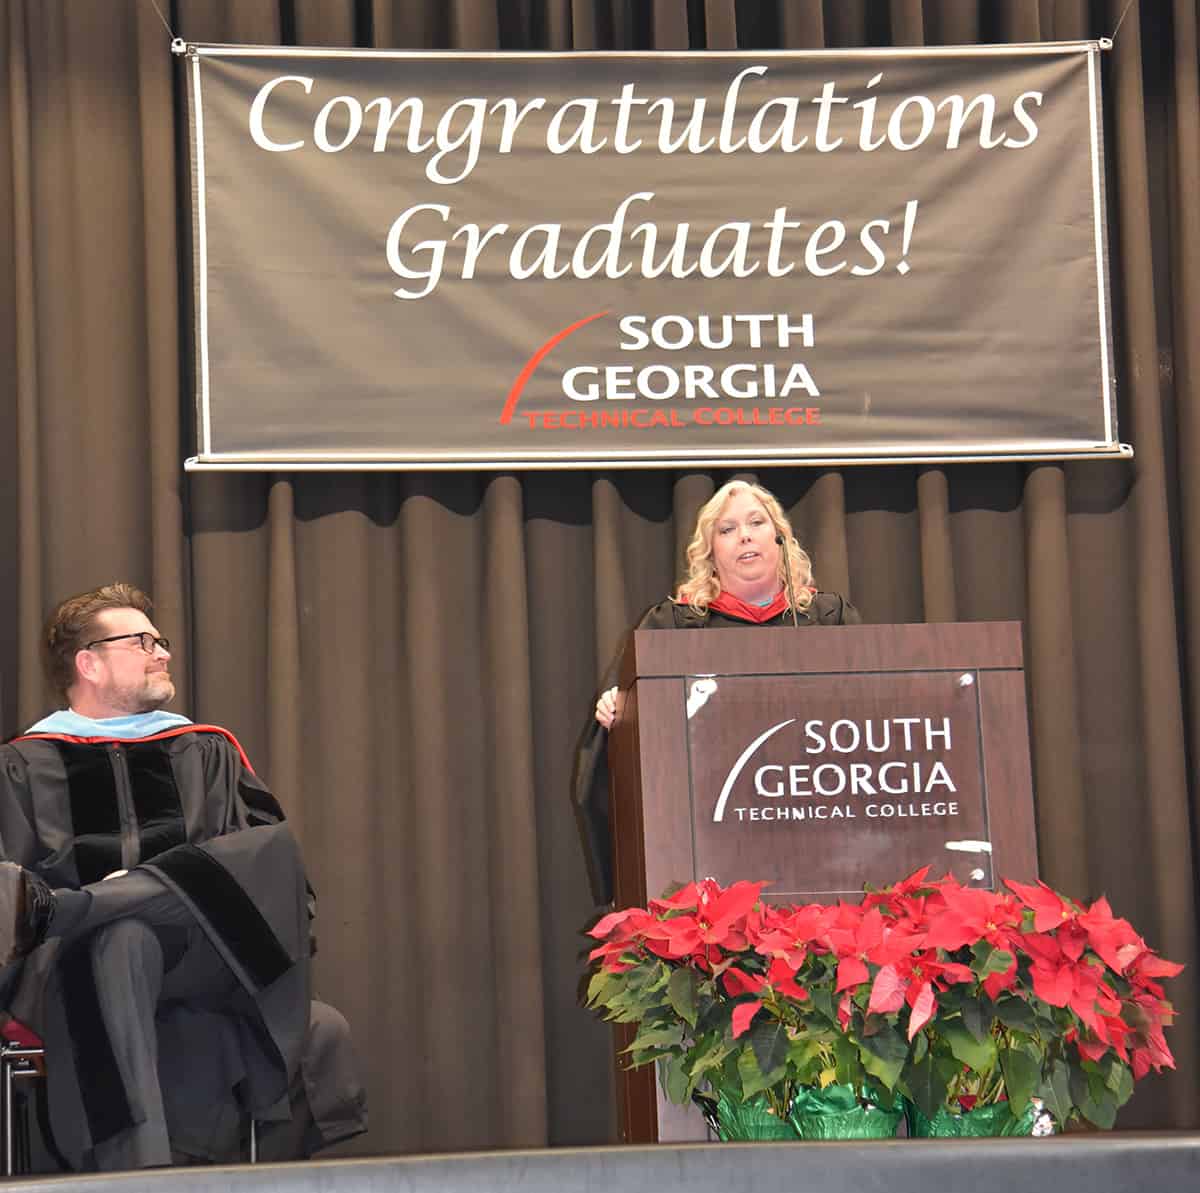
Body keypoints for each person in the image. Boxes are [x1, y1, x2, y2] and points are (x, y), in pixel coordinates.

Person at [0, 583, 367, 1170]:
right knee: (122, 939)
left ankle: (84, 903)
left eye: (161, 641)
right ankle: (145, 1177)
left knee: (268, 849)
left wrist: (110, 892)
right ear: (88, 663)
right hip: (72, 966)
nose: (162, 652)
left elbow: (265, 886)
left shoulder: (206, 751)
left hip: (212, 955)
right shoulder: (21, 765)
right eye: (142, 641)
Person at [573, 481, 860, 904]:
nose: (744, 535)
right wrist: (619, 710)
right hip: (710, 839)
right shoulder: (674, 626)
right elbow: (624, 735)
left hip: (817, 828)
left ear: (779, 538)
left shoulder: (827, 618)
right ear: (710, 552)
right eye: (727, 529)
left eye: (756, 522)